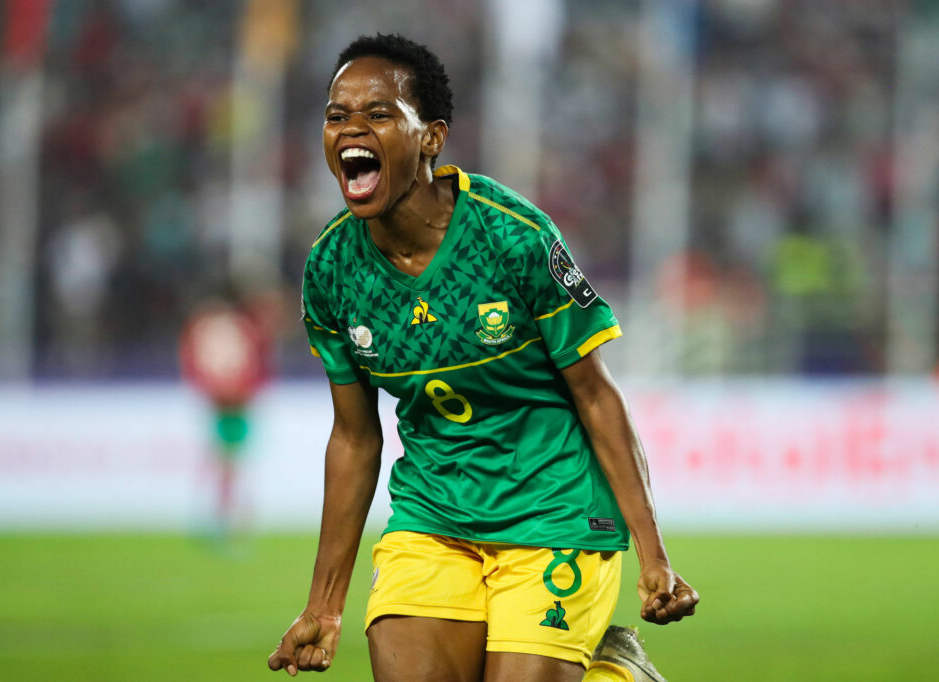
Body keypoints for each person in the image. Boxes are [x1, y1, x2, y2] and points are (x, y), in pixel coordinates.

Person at [268, 34, 697, 681]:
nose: (352, 129)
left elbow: (595, 393)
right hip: (433, 514)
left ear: (432, 137)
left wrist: (653, 554)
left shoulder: (510, 237)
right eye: (337, 116)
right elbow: (355, 439)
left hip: (552, 511)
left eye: (379, 113)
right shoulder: (330, 269)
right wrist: (324, 608)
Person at [180, 290, 273, 538]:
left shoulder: (208, 328)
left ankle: (224, 515)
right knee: (228, 461)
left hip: (226, 401)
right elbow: (259, 361)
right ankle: (226, 517)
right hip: (233, 402)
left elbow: (193, 362)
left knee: (226, 460)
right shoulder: (239, 329)